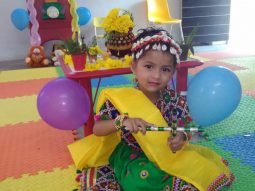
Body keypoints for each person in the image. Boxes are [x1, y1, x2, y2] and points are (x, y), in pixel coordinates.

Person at [69, 27, 234, 191]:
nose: (156, 76)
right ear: (134, 67)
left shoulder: (173, 100)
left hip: (166, 152)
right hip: (132, 154)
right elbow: (97, 129)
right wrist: (123, 121)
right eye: (149, 67)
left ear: (172, 73)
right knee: (142, 177)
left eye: (165, 69)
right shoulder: (121, 99)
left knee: (194, 174)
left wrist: (181, 136)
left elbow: (185, 124)